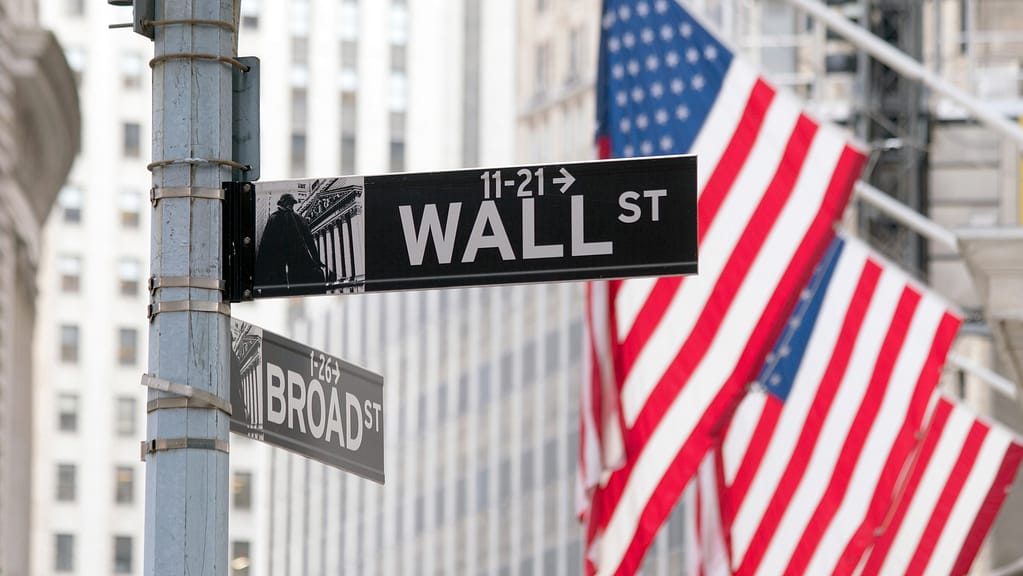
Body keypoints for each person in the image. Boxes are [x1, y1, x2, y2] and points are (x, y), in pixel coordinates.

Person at [255, 193, 325, 289]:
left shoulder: (296, 218)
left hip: (292, 258)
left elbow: (309, 240)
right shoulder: (278, 218)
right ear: (283, 204)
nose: (290, 206)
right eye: (289, 203)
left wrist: (316, 260)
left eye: (291, 203)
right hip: (282, 259)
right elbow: (265, 244)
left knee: (294, 284)